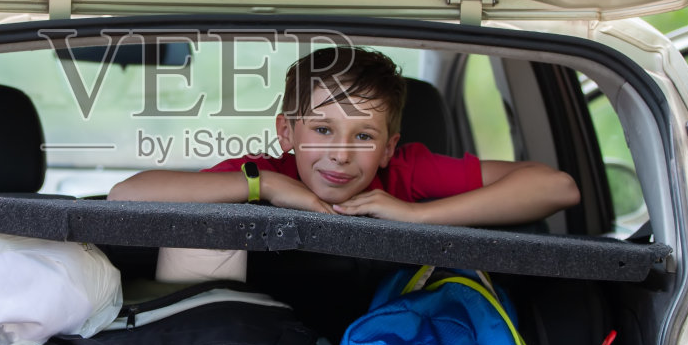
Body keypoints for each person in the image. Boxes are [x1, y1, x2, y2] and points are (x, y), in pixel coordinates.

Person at [109, 45, 579, 226]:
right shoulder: (267, 174)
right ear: (286, 132)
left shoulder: (406, 174)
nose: (340, 155)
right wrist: (268, 188)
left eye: (363, 137)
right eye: (321, 129)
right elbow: (125, 195)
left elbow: (558, 187)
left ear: (388, 148)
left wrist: (415, 215)